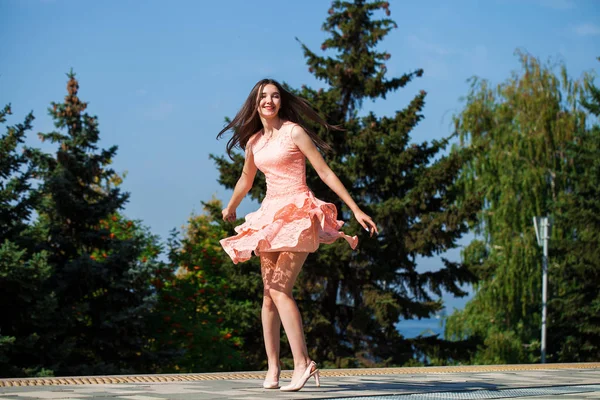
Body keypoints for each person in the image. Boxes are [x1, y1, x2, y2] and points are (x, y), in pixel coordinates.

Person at [217, 79, 378, 392]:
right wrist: (231, 206)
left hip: (299, 212)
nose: (269, 100)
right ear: (255, 102)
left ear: (281, 102)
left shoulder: (294, 132)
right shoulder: (254, 142)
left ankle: (303, 363)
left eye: (275, 95)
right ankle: (274, 368)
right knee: (268, 295)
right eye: (263, 96)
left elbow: (325, 172)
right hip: (270, 216)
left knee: (279, 288)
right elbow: (245, 180)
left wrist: (354, 209)